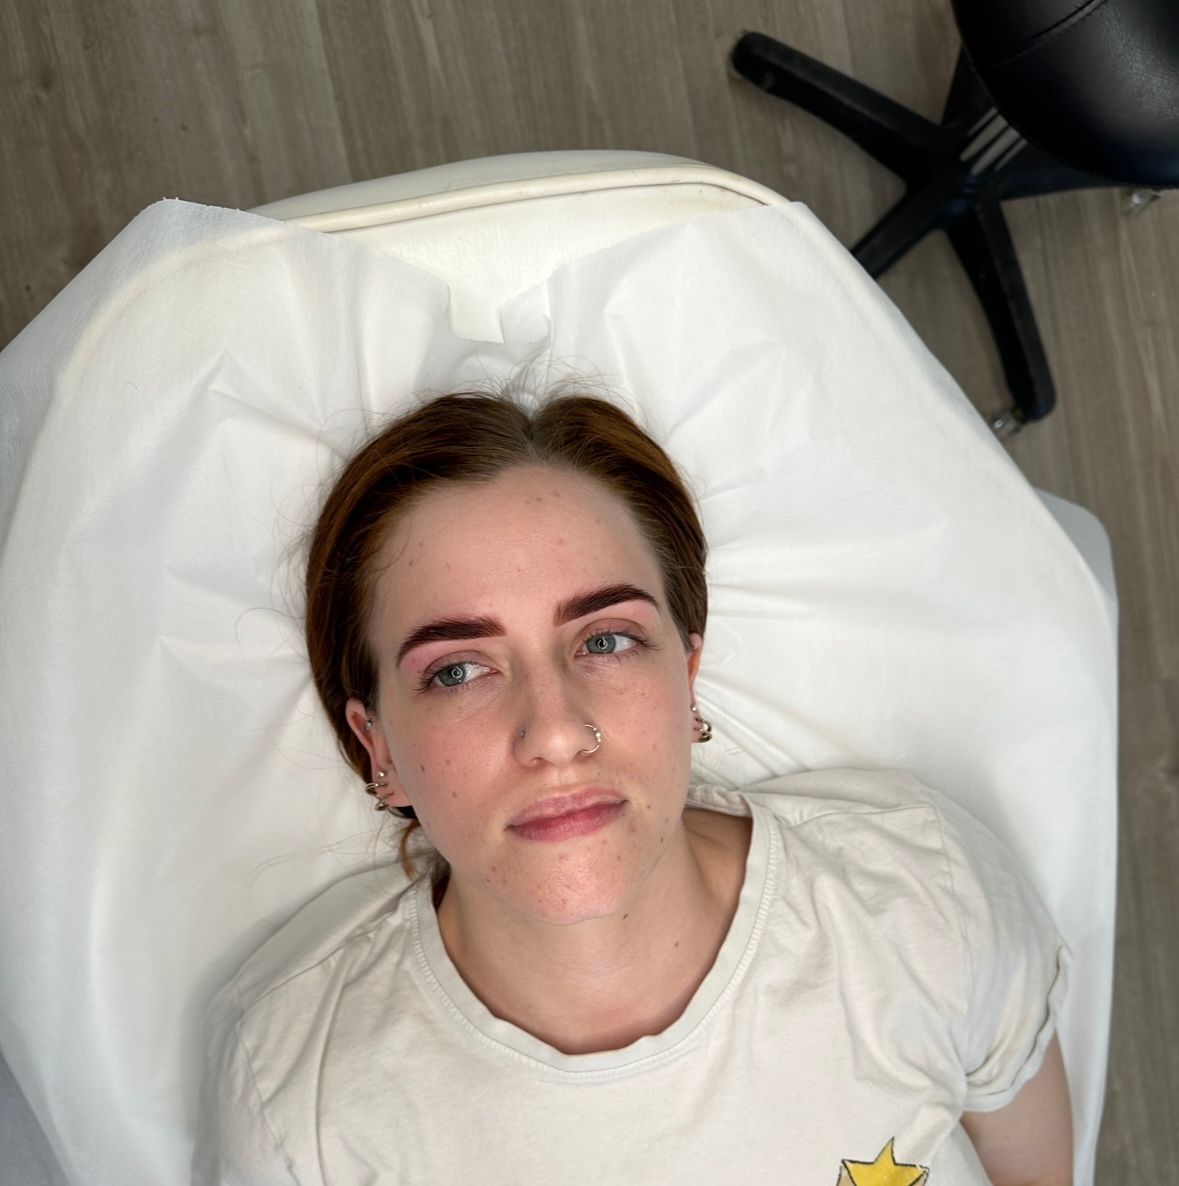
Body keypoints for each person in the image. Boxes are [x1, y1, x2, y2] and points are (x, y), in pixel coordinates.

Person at [192, 388, 1073, 1185]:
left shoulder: (920, 900)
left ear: (686, 674)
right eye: (459, 670)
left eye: (605, 640)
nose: (556, 733)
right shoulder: (295, 1090)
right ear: (375, 742)